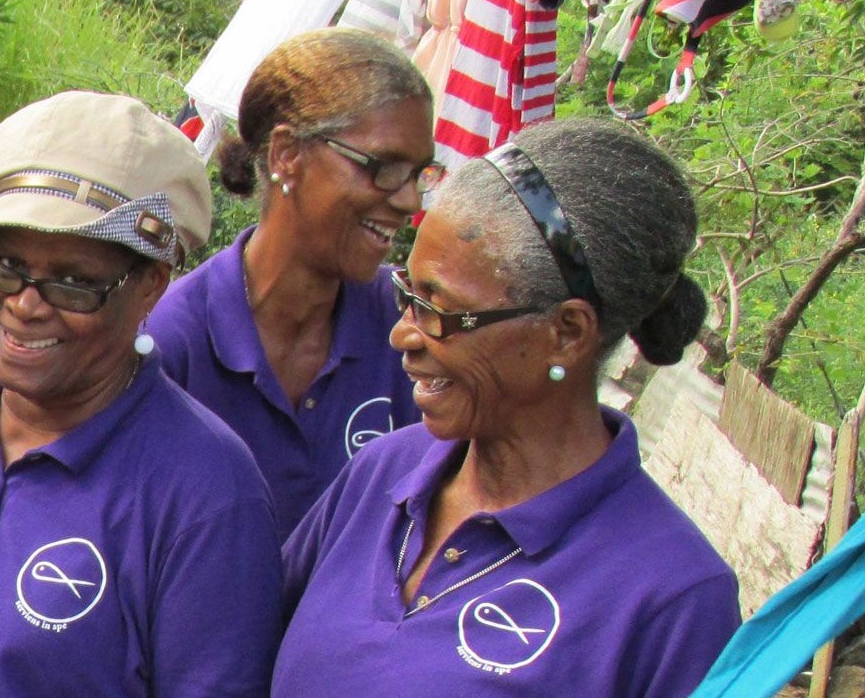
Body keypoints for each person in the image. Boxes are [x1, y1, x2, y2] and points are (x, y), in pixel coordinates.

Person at [272, 119, 738, 696]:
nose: (403, 335)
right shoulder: (383, 472)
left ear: (567, 332)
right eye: (408, 294)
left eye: (439, 310)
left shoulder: (674, 598)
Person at [0, 92, 284, 696]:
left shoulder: (209, 498)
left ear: (150, 286)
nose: (25, 304)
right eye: (6, 264)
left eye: (73, 282)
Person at [149, 27, 434, 530]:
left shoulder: (410, 327)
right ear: (287, 155)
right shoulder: (173, 346)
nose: (410, 201)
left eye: (420, 174)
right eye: (385, 167)